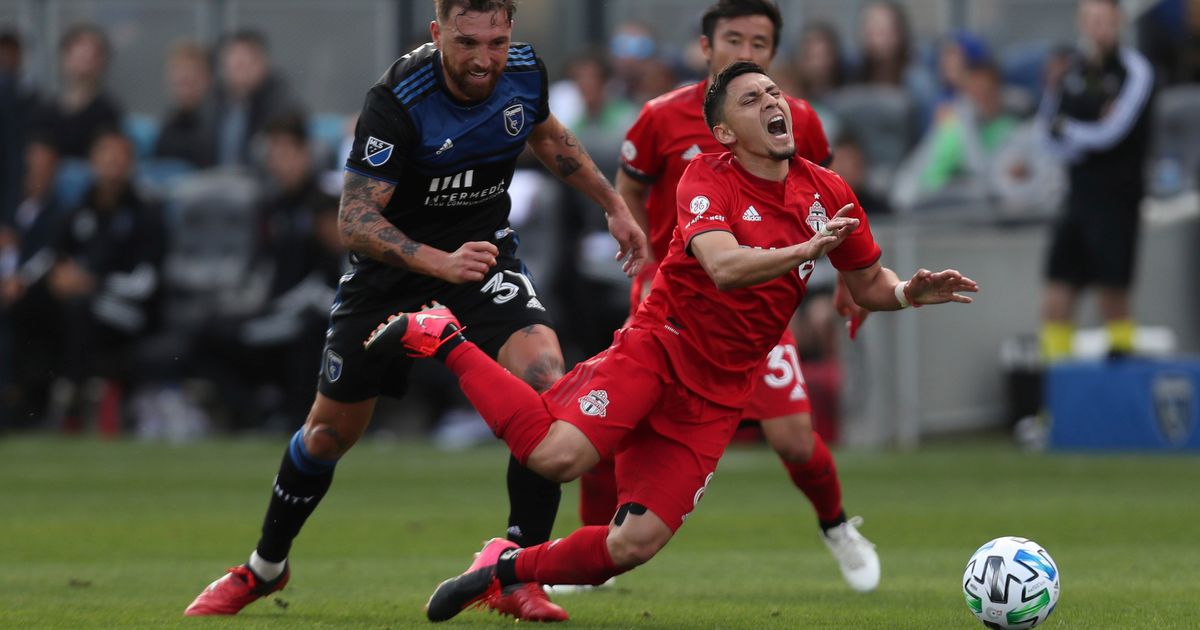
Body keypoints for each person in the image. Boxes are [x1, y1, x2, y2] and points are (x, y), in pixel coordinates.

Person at [371, 62, 977, 622]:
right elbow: (725, 266)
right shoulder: (706, 176)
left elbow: (868, 281)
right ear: (726, 132)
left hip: (719, 391)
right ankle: (442, 336)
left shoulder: (829, 192)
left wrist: (905, 294)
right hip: (659, 347)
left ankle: (502, 570)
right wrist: (804, 251)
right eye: (750, 98)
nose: (771, 101)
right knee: (558, 459)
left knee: (632, 545)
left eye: (773, 92)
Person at [183, 0, 647, 621]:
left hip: (482, 262)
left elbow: (545, 133)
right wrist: (437, 262)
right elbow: (353, 219)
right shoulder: (399, 98)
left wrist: (612, 203)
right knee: (327, 435)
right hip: (391, 280)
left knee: (545, 381)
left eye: (497, 42)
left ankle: (515, 566)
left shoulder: (523, 70)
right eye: (468, 43)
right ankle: (265, 567)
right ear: (437, 33)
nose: (484, 59)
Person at [610, 0, 879, 593]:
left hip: (758, 306)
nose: (748, 53)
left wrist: (850, 285)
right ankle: (598, 548)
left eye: (760, 44)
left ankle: (836, 527)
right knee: (617, 425)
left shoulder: (797, 118)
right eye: (735, 40)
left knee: (794, 439)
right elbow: (626, 189)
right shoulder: (660, 116)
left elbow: (825, 201)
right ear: (706, 48)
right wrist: (646, 261)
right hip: (675, 304)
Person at [1037, 0, 1154, 362]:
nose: (1096, 27)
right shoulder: (1069, 71)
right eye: (1089, 19)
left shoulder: (1135, 70)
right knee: (1057, 295)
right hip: (1078, 198)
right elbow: (1046, 134)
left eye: (1103, 20)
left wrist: (1068, 130)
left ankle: (1122, 386)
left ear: (1117, 21)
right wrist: (1070, 136)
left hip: (1118, 200)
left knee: (1112, 296)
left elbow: (1112, 132)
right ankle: (1054, 391)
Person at [45, 130, 165, 433]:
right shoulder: (78, 209)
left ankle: (75, 396)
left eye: (119, 155)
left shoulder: (146, 212)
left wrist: (93, 283)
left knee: (80, 307)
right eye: (105, 154)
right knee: (33, 304)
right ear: (92, 161)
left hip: (128, 311)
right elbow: (54, 258)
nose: (112, 162)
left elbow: (146, 282)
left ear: (131, 163)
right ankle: (24, 397)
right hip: (83, 303)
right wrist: (55, 277)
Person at [29, 24, 123, 159]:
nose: (86, 59)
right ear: (64, 57)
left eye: (92, 55)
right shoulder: (44, 111)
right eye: (79, 53)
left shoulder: (108, 112)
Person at [210, 30, 298, 167]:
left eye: (245, 61)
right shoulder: (211, 102)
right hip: (214, 177)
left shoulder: (278, 103)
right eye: (233, 61)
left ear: (262, 63)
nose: (238, 67)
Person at [154, 41, 216, 167]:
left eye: (192, 71)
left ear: (208, 79)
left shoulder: (217, 124)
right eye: (178, 70)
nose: (184, 76)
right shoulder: (169, 121)